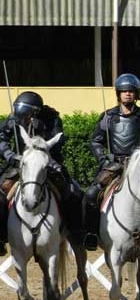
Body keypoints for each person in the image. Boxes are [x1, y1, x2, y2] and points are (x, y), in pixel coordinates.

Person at [0, 91, 83, 256]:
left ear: (36, 112)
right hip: (18, 165)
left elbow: (57, 144)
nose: (24, 119)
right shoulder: (14, 118)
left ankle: (75, 231)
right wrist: (11, 156)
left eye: (27, 115)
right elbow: (1, 137)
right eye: (21, 114)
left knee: (73, 193)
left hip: (46, 164)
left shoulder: (51, 119)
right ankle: (1, 236)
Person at [82, 73, 140, 251]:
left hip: (137, 167)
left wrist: (138, 160)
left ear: (136, 93)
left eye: (131, 91)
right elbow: (95, 141)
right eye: (124, 91)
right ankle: (92, 234)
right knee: (92, 194)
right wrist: (103, 158)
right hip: (113, 166)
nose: (127, 94)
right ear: (118, 93)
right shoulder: (107, 117)